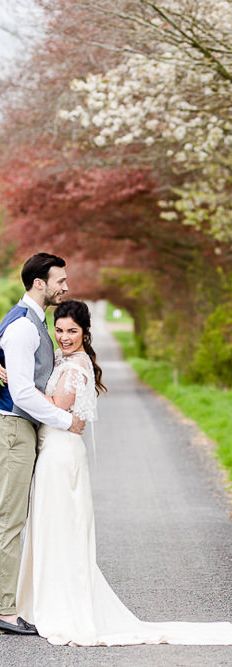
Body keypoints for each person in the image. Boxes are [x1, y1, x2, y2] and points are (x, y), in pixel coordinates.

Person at [10, 300, 232, 646]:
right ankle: (41, 600)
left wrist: (19, 384)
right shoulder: (64, 361)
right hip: (55, 452)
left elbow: (54, 408)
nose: (64, 337)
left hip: (60, 456)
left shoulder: (75, 368)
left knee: (60, 527)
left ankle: (60, 604)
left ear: (85, 332)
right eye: (59, 330)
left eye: (72, 331)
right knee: (50, 526)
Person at [0, 253, 85, 636]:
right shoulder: (24, 327)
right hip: (14, 429)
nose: (65, 287)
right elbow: (22, 392)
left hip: (24, 430)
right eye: (60, 280)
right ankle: (4, 610)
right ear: (39, 283)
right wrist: (66, 420)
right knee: (10, 521)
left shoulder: (32, 322)